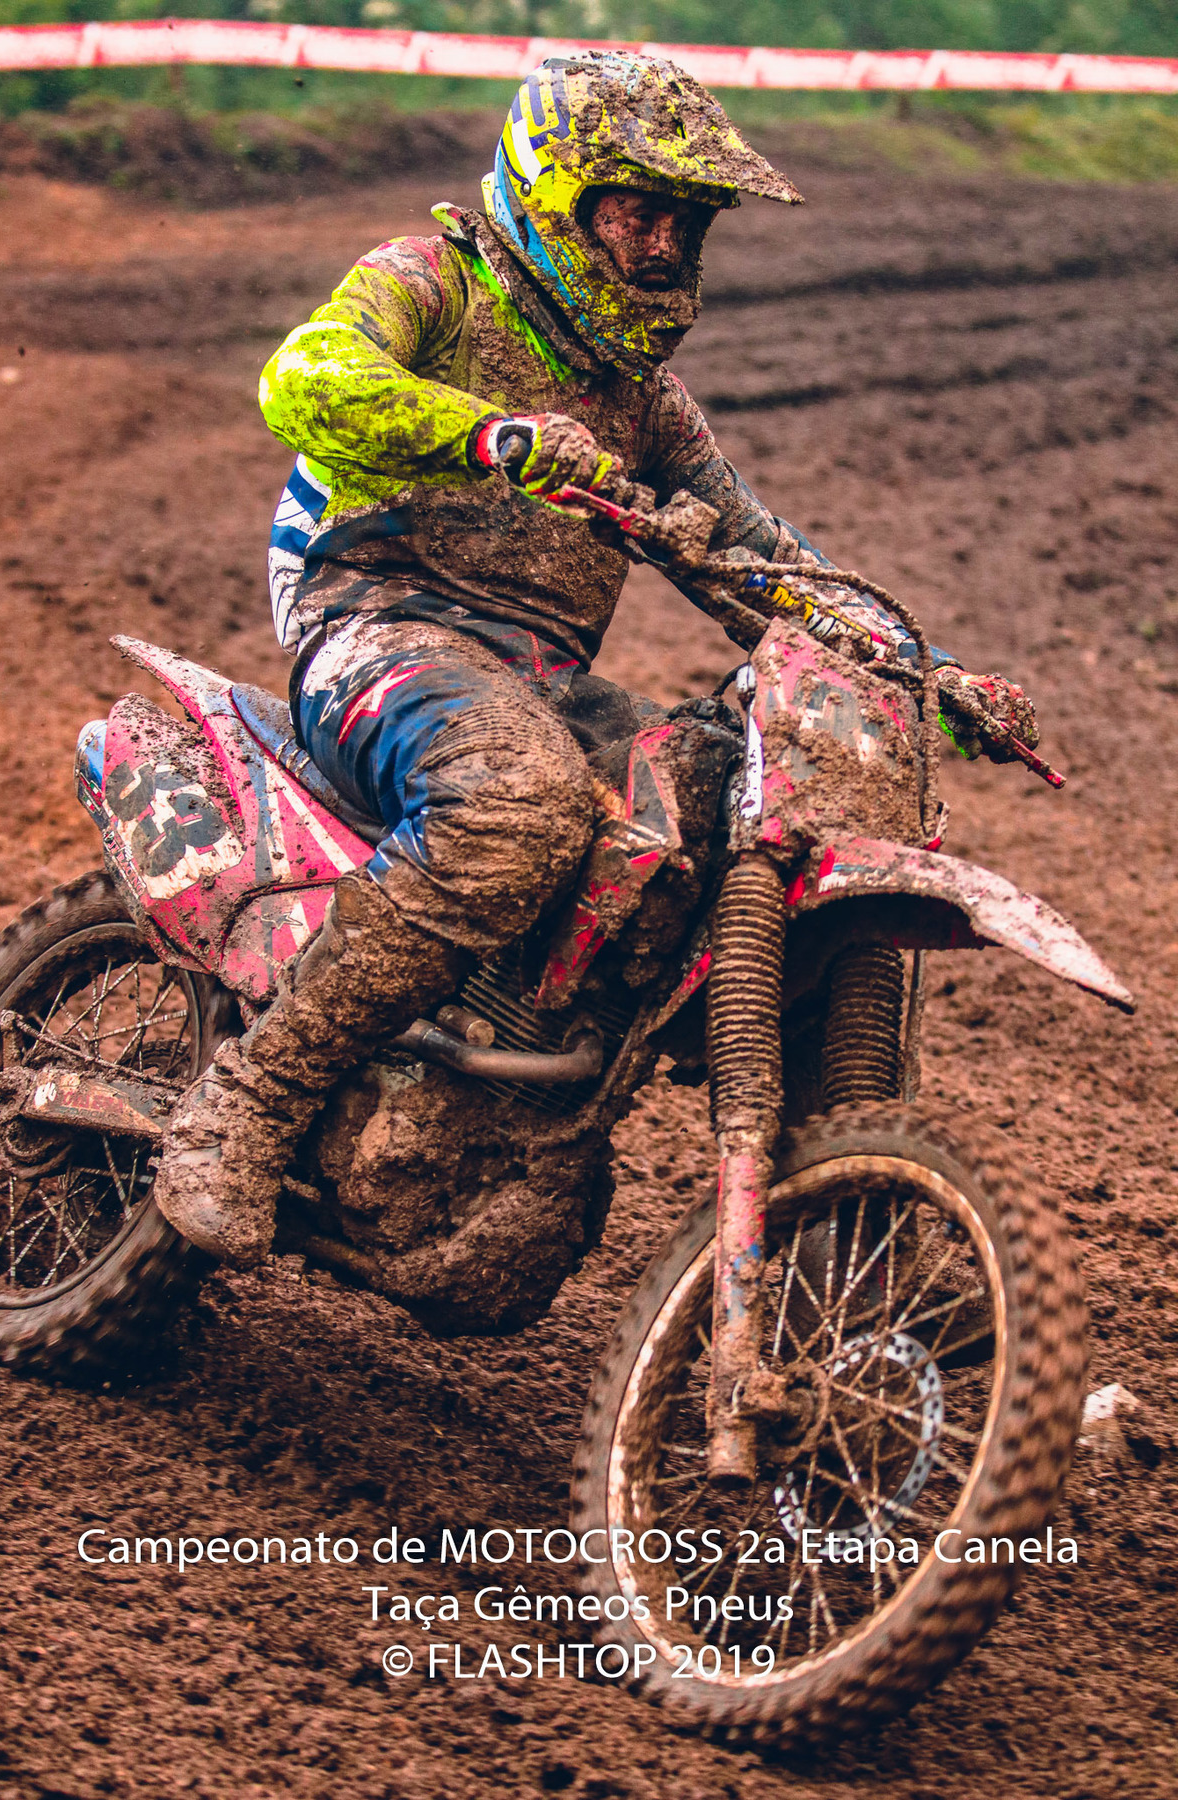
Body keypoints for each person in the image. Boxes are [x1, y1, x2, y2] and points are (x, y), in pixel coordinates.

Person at [150, 50, 1036, 1267]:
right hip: (376, 623)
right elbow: (307, 377)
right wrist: (489, 434)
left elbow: (757, 557)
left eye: (688, 221)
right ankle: (252, 1097)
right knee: (519, 805)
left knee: (734, 818)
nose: (665, 246)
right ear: (554, 195)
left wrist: (926, 673)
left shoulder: (646, 400)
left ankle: (847, 1247)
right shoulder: (435, 283)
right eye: (638, 211)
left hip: (539, 683)